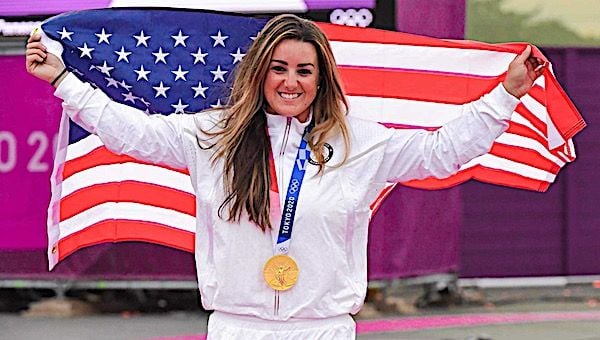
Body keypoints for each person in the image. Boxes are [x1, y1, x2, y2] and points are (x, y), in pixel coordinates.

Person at [26, 13, 544, 339]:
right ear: (259, 73)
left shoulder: (359, 143)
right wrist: (65, 81)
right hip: (236, 328)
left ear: (321, 80)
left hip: (325, 329)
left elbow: (443, 152)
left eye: (304, 70)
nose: (290, 81)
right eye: (279, 68)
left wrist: (507, 94)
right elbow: (132, 132)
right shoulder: (215, 137)